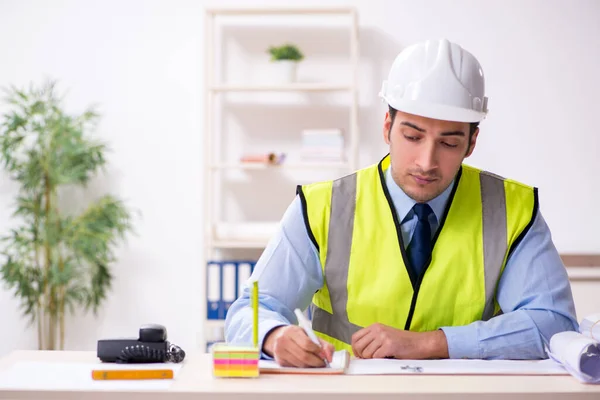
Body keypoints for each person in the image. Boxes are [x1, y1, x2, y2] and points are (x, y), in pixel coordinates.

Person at [224, 38, 578, 368]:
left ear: (471, 144)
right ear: (387, 127)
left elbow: (553, 324)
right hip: (348, 393)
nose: (426, 161)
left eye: (449, 143)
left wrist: (430, 343)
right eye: (412, 136)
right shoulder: (323, 206)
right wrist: (274, 336)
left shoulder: (512, 209)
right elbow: (249, 310)